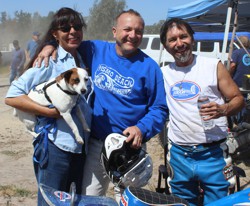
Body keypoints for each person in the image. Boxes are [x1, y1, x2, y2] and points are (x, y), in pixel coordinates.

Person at [36, 9, 168, 202]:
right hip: (97, 146)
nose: (133, 35)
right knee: (89, 198)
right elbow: (69, 41)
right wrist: (50, 45)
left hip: (130, 149)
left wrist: (141, 129)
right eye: (127, 29)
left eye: (138, 31)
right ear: (114, 31)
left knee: (129, 201)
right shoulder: (95, 50)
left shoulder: (150, 67)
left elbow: (159, 108)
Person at [5, 7, 92, 206]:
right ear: (55, 34)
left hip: (80, 148)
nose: (72, 31)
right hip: (55, 147)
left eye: (77, 26)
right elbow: (12, 96)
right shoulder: (48, 61)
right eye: (65, 28)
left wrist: (50, 44)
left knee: (72, 201)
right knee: (51, 202)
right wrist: (50, 112)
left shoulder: (83, 56)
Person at [159, 18, 245, 206]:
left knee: (220, 203)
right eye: (172, 39)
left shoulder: (213, 66)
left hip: (214, 154)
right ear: (165, 46)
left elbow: (238, 99)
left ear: (193, 39)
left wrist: (223, 109)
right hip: (179, 155)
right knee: (181, 203)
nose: (179, 43)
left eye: (184, 37)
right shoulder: (163, 73)